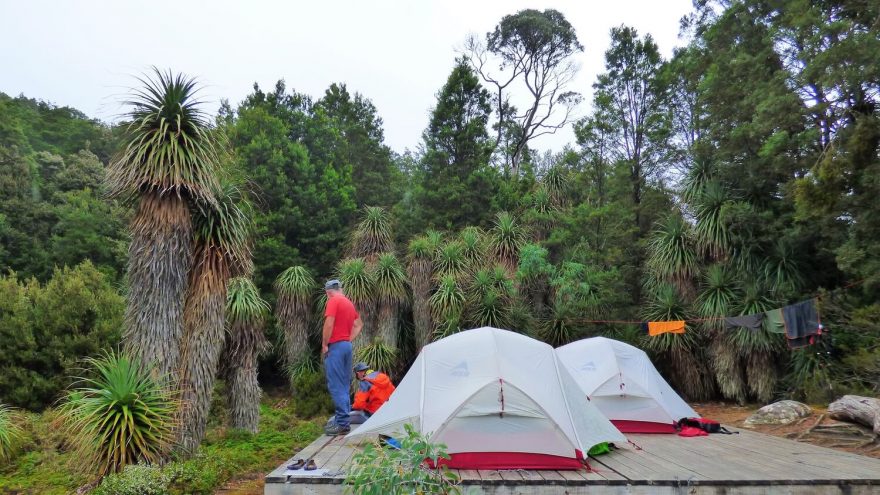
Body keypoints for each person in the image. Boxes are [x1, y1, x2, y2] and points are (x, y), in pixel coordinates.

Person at [322, 279, 363, 435]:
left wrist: (325, 344)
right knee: (344, 384)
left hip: (336, 347)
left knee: (336, 384)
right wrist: (347, 339)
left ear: (328, 291)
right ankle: (343, 420)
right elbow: (359, 324)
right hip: (346, 346)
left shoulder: (333, 301)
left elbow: (329, 323)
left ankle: (342, 424)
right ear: (340, 288)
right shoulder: (348, 303)